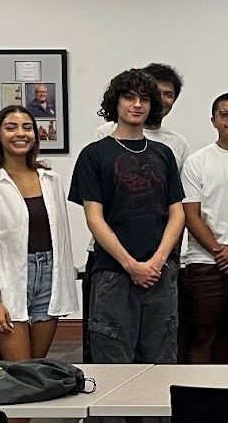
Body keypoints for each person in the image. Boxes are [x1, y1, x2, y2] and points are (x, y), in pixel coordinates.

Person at [69, 69, 185, 365]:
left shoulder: (164, 154)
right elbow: (94, 219)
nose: (137, 104)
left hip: (161, 274)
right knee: (112, 363)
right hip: (113, 274)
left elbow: (177, 214)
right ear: (115, 103)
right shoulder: (94, 154)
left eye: (144, 99)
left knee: (160, 363)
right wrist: (131, 265)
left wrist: (157, 261)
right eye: (129, 97)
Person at [0, 106, 79, 361]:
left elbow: (61, 240)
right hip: (9, 280)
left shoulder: (51, 179)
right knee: (19, 368)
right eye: (11, 127)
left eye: (27, 128)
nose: (20, 133)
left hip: (49, 278)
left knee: (37, 367)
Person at [178, 93, 228, 363]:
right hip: (204, 261)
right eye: (224, 114)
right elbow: (191, 215)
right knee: (202, 334)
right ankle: (197, 397)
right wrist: (219, 251)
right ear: (213, 121)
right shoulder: (197, 161)